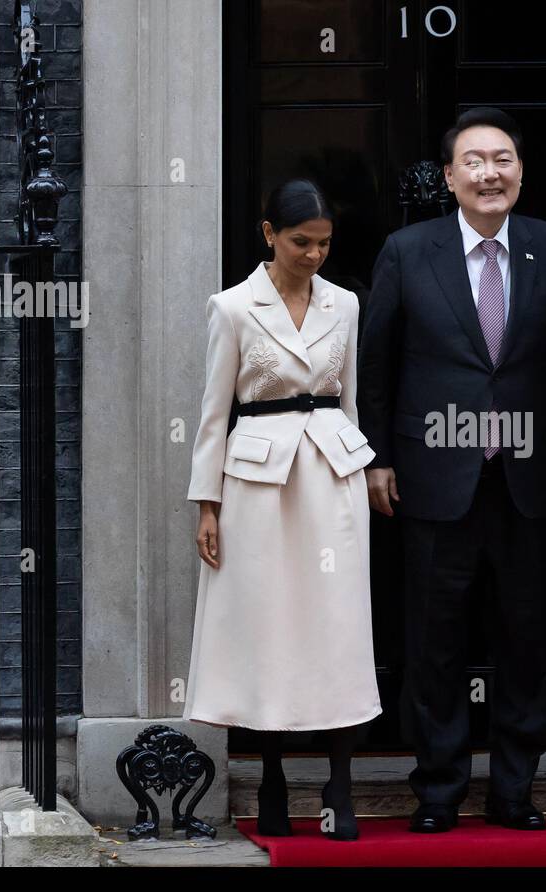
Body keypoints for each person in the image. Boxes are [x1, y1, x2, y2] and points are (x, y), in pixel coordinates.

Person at [358, 108, 546, 832]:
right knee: (434, 644)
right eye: (476, 161)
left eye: (504, 159)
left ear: (521, 170)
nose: (491, 173)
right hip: (432, 478)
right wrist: (378, 457)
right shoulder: (406, 250)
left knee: (527, 642)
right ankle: (438, 790)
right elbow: (377, 367)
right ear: (450, 176)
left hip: (531, 481)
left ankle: (515, 790)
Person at [184, 179, 381, 841]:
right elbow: (213, 416)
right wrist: (206, 504)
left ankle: (339, 784)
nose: (314, 254)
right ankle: (269, 778)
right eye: (302, 242)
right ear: (269, 233)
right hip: (258, 484)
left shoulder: (346, 305)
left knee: (338, 627)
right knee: (267, 627)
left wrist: (362, 469)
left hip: (332, 477)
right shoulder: (233, 307)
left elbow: (350, 400)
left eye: (325, 243)